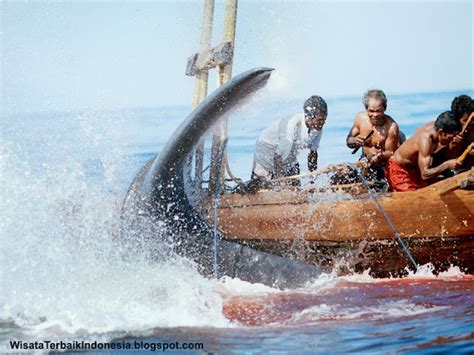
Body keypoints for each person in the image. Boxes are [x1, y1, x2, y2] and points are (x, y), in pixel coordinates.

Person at [251, 95, 328, 181]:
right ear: (309, 116)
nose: (323, 123)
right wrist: (280, 181)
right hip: (266, 153)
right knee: (266, 186)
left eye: (325, 119)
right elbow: (278, 156)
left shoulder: (317, 127)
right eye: (320, 120)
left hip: (288, 155)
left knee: (295, 185)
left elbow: (312, 153)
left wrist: (313, 178)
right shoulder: (292, 124)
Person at [333, 90, 399, 185]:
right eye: (371, 111)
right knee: (337, 179)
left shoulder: (391, 127)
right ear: (366, 109)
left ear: (385, 108)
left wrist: (380, 156)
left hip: (382, 167)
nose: (375, 115)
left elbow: (391, 152)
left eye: (378, 111)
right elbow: (349, 141)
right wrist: (355, 140)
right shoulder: (360, 119)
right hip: (363, 163)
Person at [385, 111, 462, 192]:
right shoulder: (426, 140)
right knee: (414, 199)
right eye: (451, 137)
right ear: (441, 132)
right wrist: (446, 165)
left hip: (415, 168)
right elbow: (424, 174)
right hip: (398, 170)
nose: (452, 140)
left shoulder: (436, 125)